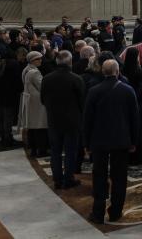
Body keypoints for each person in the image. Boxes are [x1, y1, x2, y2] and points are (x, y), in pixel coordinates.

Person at [83, 60, 140, 224]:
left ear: (103, 71)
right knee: (120, 177)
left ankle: (98, 212)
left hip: (99, 140)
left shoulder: (94, 91)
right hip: (121, 140)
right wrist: (134, 141)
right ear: (117, 71)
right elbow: (134, 119)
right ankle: (116, 211)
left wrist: (86, 143)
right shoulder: (128, 90)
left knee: (99, 176)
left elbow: (87, 120)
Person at [41, 51, 85, 190]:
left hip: (54, 119)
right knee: (71, 151)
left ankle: (57, 180)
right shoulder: (76, 79)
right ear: (70, 62)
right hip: (72, 121)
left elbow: (43, 99)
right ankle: (69, 179)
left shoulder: (47, 78)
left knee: (55, 151)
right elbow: (82, 102)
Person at [21, 51, 49, 157]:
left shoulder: (26, 69)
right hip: (37, 103)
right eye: (38, 59)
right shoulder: (34, 72)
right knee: (40, 127)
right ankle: (41, 150)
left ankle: (33, 149)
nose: (40, 60)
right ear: (32, 60)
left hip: (30, 101)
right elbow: (42, 87)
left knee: (32, 127)